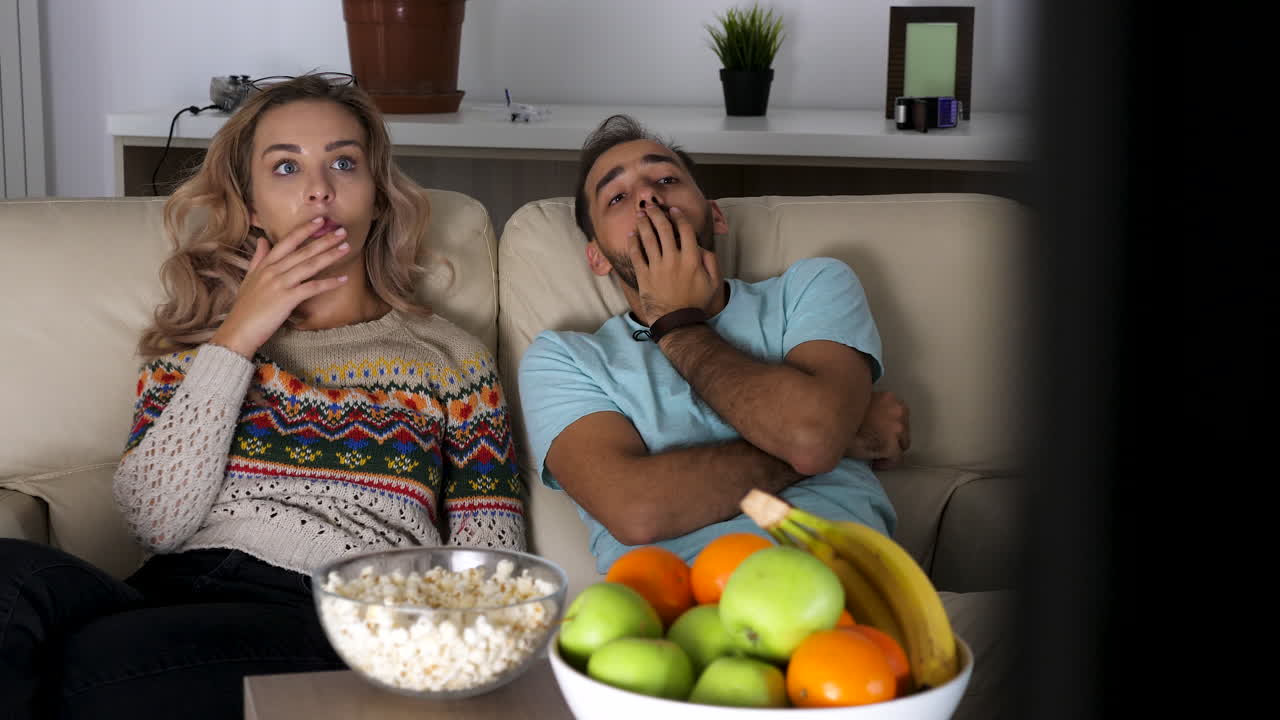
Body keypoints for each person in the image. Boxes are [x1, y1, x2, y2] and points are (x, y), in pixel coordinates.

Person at [0, 74, 525, 720]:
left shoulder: (450, 361)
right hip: (171, 595)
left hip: (331, 618)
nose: (318, 189)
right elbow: (154, 522)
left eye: (343, 162)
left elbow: (491, 566)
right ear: (250, 206)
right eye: (285, 167)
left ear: (377, 195)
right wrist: (239, 335)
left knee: (79, 669)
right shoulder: (194, 349)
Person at [517, 114, 1010, 718]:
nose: (646, 195)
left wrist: (677, 324)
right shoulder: (565, 358)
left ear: (715, 215)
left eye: (666, 179)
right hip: (676, 636)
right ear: (596, 257)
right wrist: (843, 436)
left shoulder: (812, 288)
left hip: (858, 622)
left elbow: (809, 435)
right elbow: (636, 509)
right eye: (617, 196)